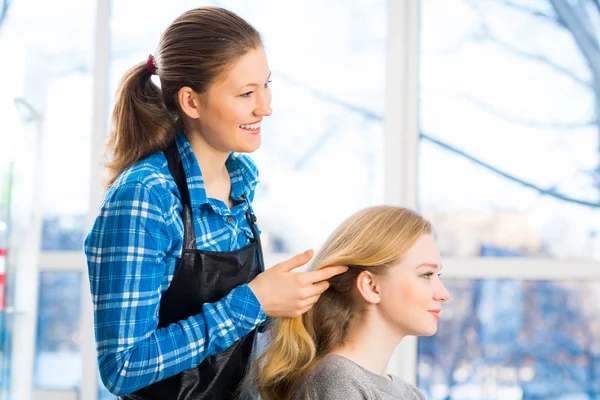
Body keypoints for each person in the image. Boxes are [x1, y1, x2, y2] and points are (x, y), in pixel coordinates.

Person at [83, 7, 347, 399]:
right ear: (191, 102)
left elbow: (233, 343)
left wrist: (295, 298)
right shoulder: (147, 196)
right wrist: (253, 302)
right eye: (246, 93)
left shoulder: (241, 183)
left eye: (266, 85)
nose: (265, 107)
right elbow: (123, 366)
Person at [251, 206, 451, 400]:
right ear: (371, 286)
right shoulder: (338, 381)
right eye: (426, 274)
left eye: (438, 275)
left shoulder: (410, 394)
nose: (443, 294)